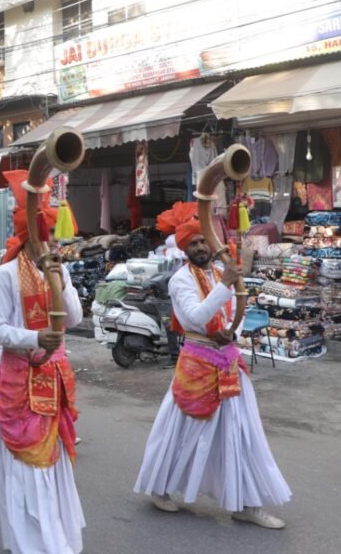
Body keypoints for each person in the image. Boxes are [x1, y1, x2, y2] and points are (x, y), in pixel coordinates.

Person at [134, 206, 291, 529]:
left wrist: (233, 329)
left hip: (229, 360)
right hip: (196, 363)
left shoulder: (220, 273)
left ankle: (246, 503)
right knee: (181, 431)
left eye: (204, 242)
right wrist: (226, 287)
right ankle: (160, 488)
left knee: (242, 433)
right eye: (193, 244)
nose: (201, 248)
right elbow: (195, 317)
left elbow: (238, 310)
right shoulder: (180, 279)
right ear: (184, 248)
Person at [0, 170, 85, 554]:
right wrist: (33, 338)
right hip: (18, 377)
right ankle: (31, 541)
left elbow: (73, 319)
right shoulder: (4, 275)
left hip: (55, 376)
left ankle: (55, 537)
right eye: (50, 237)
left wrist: (62, 282)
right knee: (25, 464)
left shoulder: (58, 271)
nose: (56, 244)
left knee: (52, 460)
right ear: (33, 237)